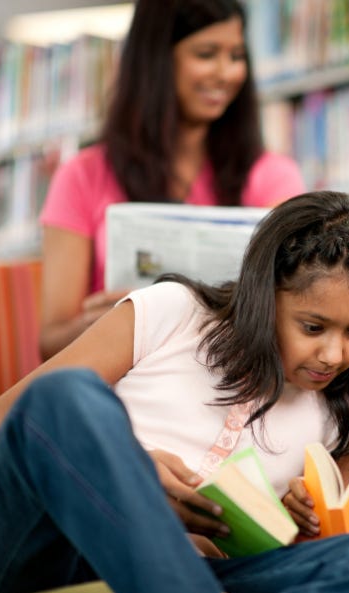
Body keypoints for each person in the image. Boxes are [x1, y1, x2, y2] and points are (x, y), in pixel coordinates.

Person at [0, 192, 349, 593]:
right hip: (53, 548)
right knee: (66, 394)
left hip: (203, 569)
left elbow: (303, 557)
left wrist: (300, 528)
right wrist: (132, 466)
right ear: (264, 297)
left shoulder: (347, 414)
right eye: (312, 327)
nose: (334, 354)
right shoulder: (173, 312)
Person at [38, 0, 306, 360]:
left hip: (229, 377)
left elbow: (294, 309)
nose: (226, 73)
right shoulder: (82, 177)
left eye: (237, 55)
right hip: (124, 377)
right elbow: (50, 343)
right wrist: (109, 323)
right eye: (206, 53)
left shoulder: (273, 177)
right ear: (156, 60)